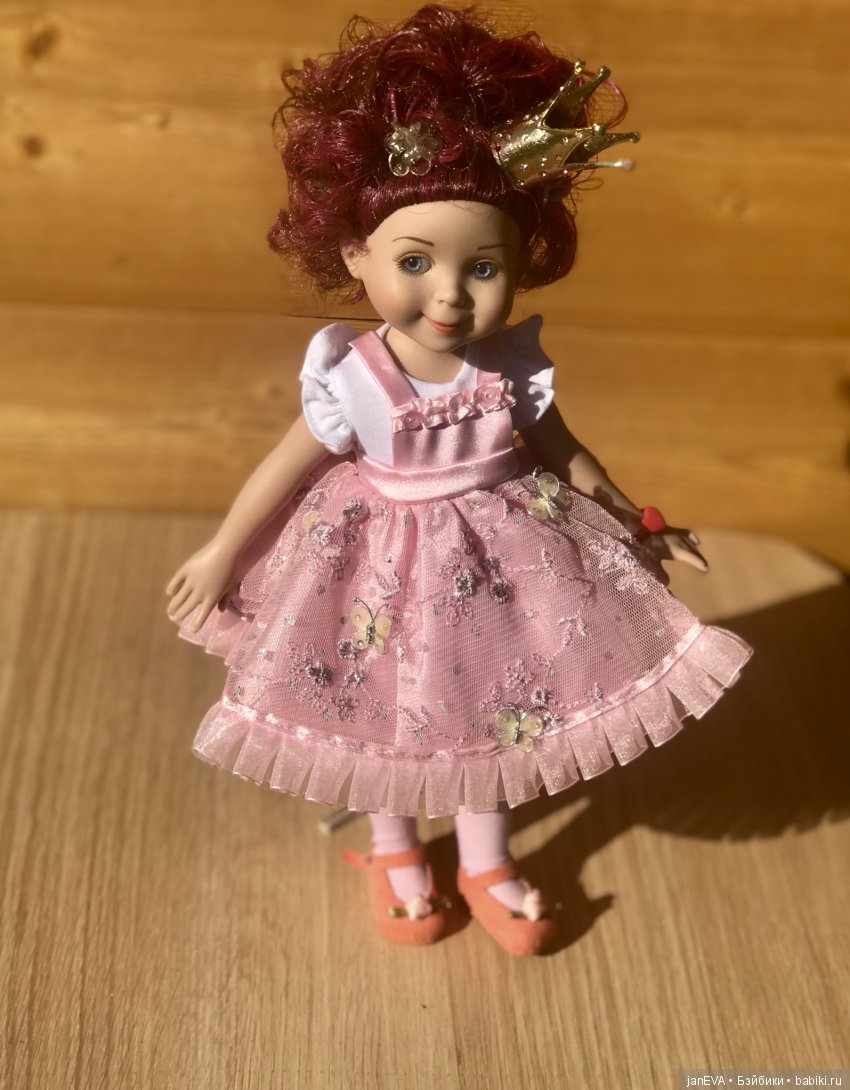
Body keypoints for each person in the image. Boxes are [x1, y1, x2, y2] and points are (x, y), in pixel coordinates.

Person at [165, 5, 751, 956]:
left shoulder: (507, 363)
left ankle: (485, 859)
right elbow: (288, 463)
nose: (448, 293)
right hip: (373, 567)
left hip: (503, 565)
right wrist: (221, 551)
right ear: (353, 255)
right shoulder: (353, 377)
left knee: (498, 715)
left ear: (521, 264)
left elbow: (563, 448)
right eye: (414, 261)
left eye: (483, 267)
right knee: (377, 710)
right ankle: (396, 848)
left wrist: (639, 520)